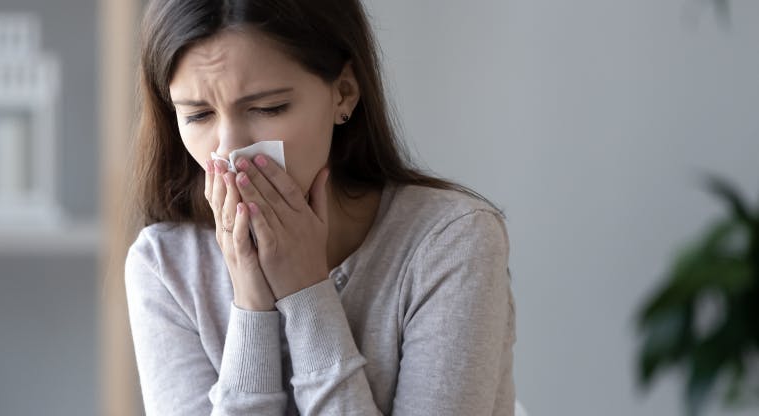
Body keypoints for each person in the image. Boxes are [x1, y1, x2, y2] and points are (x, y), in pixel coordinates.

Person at [124, 0, 516, 414]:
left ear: (344, 93)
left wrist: (307, 292)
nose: (229, 149)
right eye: (199, 115)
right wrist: (250, 307)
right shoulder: (164, 266)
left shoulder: (450, 243)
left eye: (268, 108)